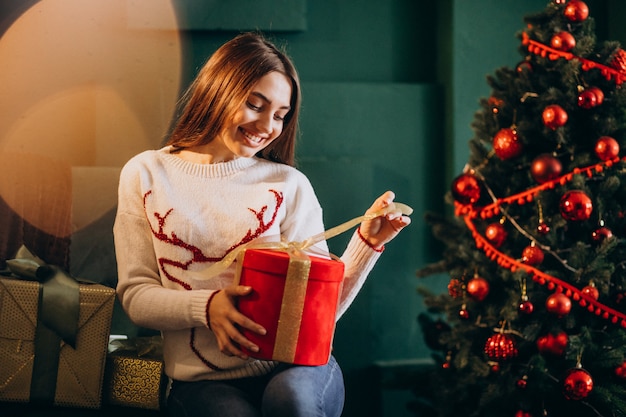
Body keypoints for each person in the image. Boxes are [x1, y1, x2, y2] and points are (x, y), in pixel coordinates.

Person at [113, 32, 411, 417]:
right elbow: (137, 296)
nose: (269, 125)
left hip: (295, 371)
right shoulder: (145, 174)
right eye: (256, 105)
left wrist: (365, 246)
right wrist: (207, 307)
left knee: (291, 402)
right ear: (218, 91)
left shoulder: (288, 185)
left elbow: (316, 315)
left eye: (281, 115)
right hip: (202, 382)